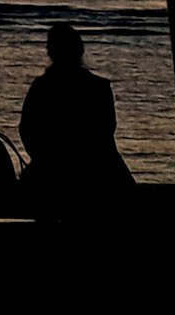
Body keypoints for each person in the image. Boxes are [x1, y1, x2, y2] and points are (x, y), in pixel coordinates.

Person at [19, 21, 132, 211]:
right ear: (80, 50)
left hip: (49, 176)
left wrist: (44, 160)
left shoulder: (41, 87)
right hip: (98, 174)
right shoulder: (99, 87)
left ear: (50, 52)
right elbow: (105, 132)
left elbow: (27, 130)